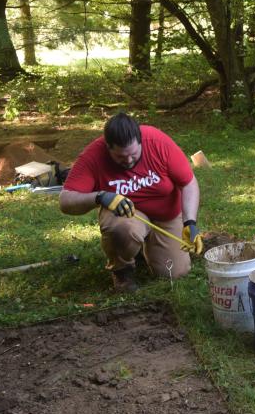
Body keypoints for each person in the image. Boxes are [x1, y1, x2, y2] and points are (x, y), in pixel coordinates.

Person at [59, 113, 203, 293]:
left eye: (133, 154)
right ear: (108, 147)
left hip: (166, 215)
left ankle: (143, 250)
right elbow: (65, 201)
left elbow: (188, 182)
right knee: (123, 230)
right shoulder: (93, 156)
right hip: (127, 216)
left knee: (175, 272)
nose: (128, 161)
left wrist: (190, 222)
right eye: (120, 156)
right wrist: (100, 197)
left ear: (141, 141)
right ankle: (122, 270)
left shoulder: (158, 143)